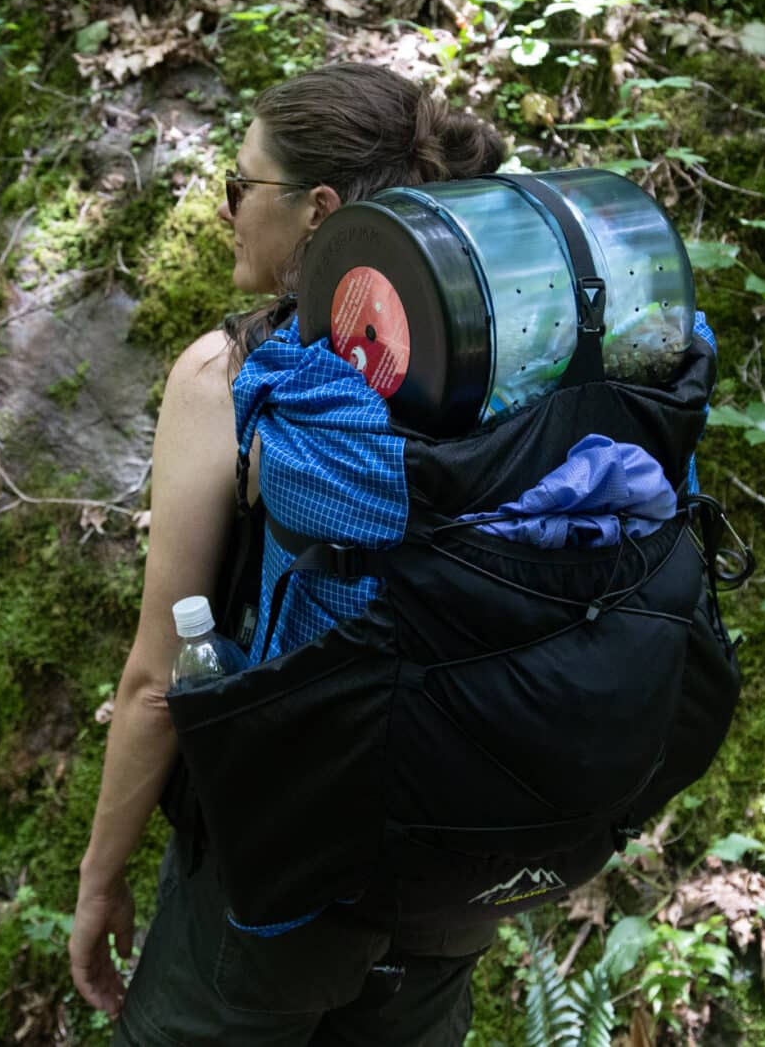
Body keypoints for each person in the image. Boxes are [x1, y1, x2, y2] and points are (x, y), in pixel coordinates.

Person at [70, 63, 509, 1046]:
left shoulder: (228, 378)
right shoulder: (504, 377)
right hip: (458, 881)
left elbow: (154, 684)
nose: (225, 208)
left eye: (240, 185)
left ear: (315, 211)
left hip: (273, 886)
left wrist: (99, 883)